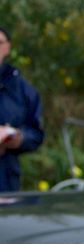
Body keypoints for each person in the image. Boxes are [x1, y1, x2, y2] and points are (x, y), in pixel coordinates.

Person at [0, 27, 43, 192]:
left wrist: (20, 138)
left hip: (6, 179)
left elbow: (36, 133)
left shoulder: (21, 88)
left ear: (8, 47)